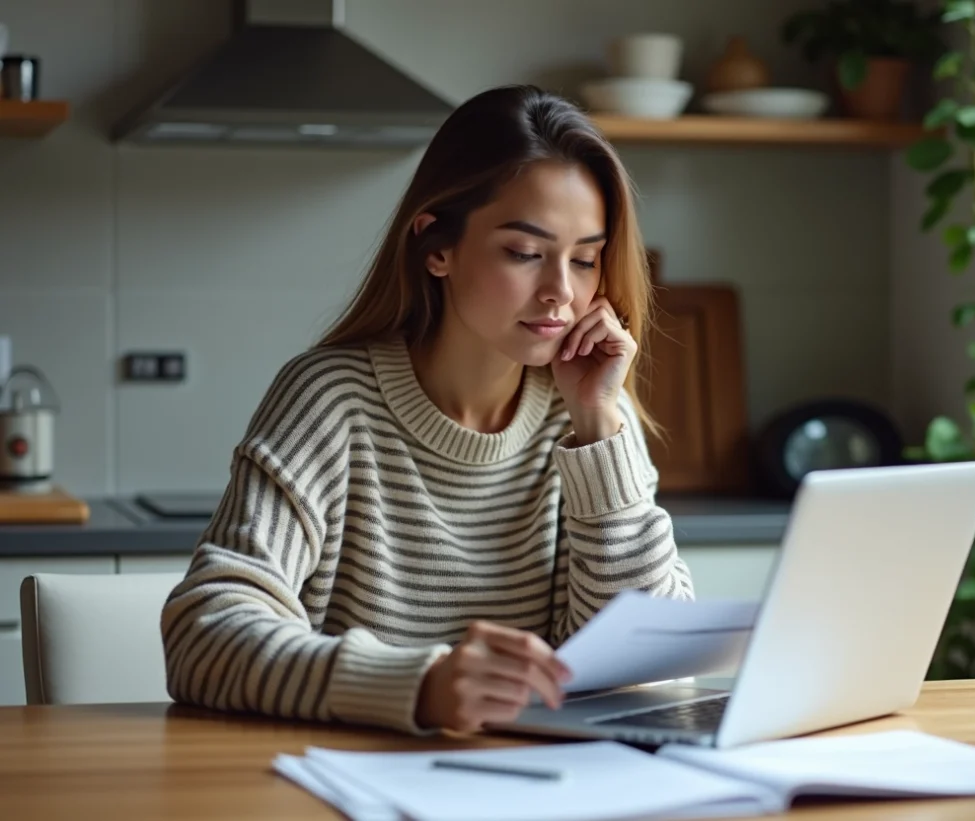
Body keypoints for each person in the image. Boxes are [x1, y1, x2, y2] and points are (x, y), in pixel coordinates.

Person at [160, 84, 694, 736]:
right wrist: (420, 686)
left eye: (584, 259)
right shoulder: (331, 400)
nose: (561, 292)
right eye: (525, 253)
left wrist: (598, 427)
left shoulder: (589, 416)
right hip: (343, 789)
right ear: (436, 246)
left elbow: (654, 675)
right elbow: (204, 636)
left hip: (539, 790)